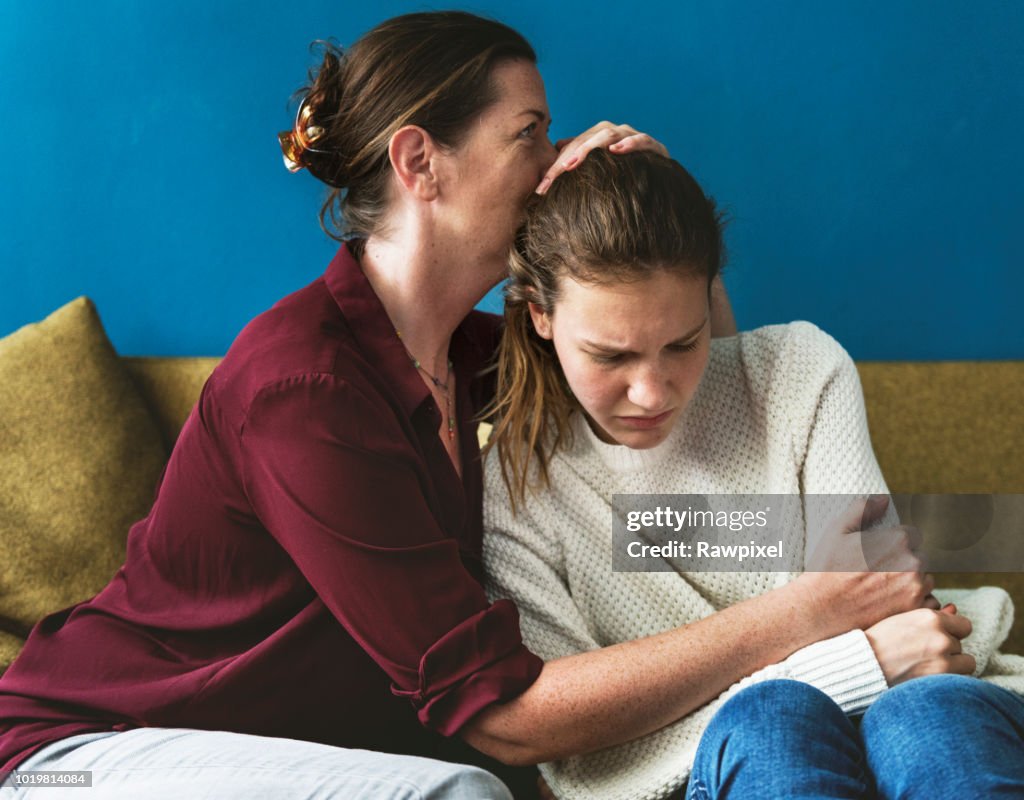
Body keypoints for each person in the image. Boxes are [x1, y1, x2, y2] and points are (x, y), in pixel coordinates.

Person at [0, 11, 766, 800]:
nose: (555, 166)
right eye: (530, 133)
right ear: (420, 162)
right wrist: (797, 620)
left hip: (272, 755)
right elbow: (502, 715)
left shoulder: (481, 359)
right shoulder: (303, 392)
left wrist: (665, 223)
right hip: (82, 756)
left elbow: (691, 429)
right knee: (460, 795)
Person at [482, 148, 1024, 799]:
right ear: (540, 314)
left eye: (683, 343)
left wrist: (862, 644)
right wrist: (861, 662)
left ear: (712, 295)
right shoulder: (515, 489)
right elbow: (583, 756)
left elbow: (883, 603)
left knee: (926, 713)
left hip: (933, 696)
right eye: (611, 355)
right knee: (769, 725)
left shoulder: (799, 372)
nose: (653, 393)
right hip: (710, 766)